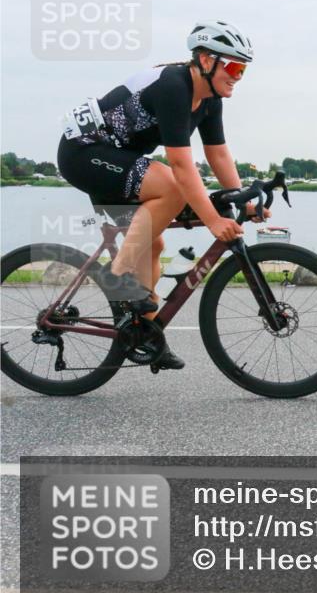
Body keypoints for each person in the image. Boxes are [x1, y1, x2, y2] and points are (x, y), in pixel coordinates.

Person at [57, 20, 267, 370]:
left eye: (242, 69)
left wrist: (241, 198)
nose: (237, 76)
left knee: (152, 244)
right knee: (170, 184)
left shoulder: (210, 99)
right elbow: (182, 167)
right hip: (84, 152)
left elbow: (217, 153)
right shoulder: (174, 85)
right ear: (204, 60)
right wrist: (214, 220)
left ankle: (146, 333)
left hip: (117, 158)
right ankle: (117, 275)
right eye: (232, 66)